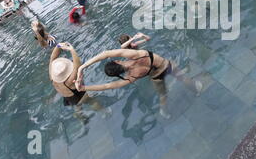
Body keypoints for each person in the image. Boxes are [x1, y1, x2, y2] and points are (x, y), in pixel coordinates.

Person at [74, 49, 203, 119]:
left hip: (156, 77)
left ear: (117, 74)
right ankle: (197, 89)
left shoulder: (130, 77)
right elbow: (106, 53)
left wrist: (84, 87)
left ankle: (164, 112)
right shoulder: (135, 54)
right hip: (166, 65)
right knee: (183, 78)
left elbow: (107, 86)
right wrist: (82, 67)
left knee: (163, 95)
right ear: (118, 61)